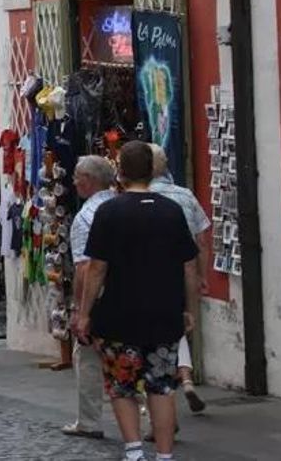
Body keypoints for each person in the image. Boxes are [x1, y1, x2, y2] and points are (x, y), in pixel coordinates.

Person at [74, 141, 200, 461]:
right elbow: (189, 266)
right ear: (152, 170)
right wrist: (189, 309)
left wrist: (85, 312)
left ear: (121, 171)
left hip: (119, 316)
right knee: (162, 386)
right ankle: (164, 454)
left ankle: (133, 450)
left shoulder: (109, 212)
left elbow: (96, 267)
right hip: (163, 313)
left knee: (121, 385)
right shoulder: (171, 211)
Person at [149, 144, 211, 415]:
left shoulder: (138, 198)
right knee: (179, 326)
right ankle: (186, 379)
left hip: (150, 274)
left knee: (154, 337)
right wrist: (203, 275)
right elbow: (202, 240)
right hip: (183, 271)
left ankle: (162, 403)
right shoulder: (185, 195)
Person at [61, 156, 116, 440]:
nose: (72, 181)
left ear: (89, 180)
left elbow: (85, 267)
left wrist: (79, 310)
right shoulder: (122, 205)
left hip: (101, 295)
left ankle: (89, 420)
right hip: (131, 293)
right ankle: (157, 418)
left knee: (88, 358)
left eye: (76, 176)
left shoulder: (86, 216)